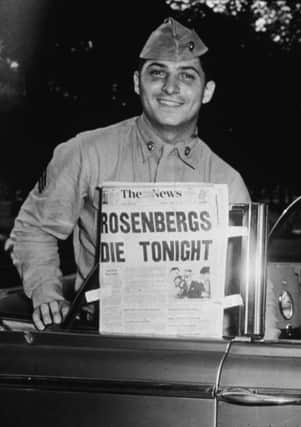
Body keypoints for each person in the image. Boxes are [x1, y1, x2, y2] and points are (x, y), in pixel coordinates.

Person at [7, 17, 250, 330]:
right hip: (102, 340)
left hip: (192, 342)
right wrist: (46, 293)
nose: (171, 87)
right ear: (138, 83)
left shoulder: (226, 182)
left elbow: (246, 278)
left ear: (207, 91)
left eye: (187, 76)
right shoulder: (87, 152)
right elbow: (33, 229)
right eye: (157, 73)